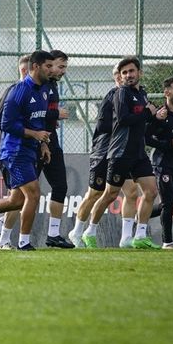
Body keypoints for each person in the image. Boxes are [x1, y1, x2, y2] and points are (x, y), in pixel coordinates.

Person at [0, 50, 54, 250]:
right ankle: (24, 242)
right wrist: (34, 134)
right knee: (33, 195)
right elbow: (6, 124)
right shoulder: (19, 90)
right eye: (48, 66)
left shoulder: (44, 90)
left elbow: (38, 121)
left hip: (30, 150)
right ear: (36, 66)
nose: (52, 70)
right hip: (14, 152)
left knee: (17, 200)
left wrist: (43, 143)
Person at [81, 56, 162, 249]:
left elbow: (142, 120)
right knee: (110, 194)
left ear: (139, 73)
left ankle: (139, 236)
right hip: (120, 152)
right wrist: (147, 113)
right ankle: (89, 231)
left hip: (138, 153)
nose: (128, 75)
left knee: (151, 191)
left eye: (131, 71)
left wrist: (155, 116)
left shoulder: (142, 94)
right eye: (124, 72)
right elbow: (124, 119)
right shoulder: (121, 93)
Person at [68, 67, 144, 248]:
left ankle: (126, 238)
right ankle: (77, 231)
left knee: (131, 192)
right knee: (95, 193)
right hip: (104, 151)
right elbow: (104, 125)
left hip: (123, 152)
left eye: (126, 73)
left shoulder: (136, 95)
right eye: (119, 74)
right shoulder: (113, 96)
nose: (122, 77)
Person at [146, 77, 173, 249]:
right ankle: (168, 242)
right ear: (166, 92)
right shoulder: (160, 114)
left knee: (169, 204)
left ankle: (140, 216)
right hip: (161, 163)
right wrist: (165, 144)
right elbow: (146, 137)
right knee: (168, 202)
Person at [37, 49, 75, 249]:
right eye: (60, 66)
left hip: (52, 142)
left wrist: (53, 120)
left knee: (60, 186)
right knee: (23, 194)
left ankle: (53, 234)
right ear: (48, 65)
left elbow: (46, 114)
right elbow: (33, 112)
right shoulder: (38, 85)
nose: (63, 71)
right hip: (35, 143)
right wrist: (54, 114)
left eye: (64, 67)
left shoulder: (52, 85)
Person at [0, 56, 29, 249]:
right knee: (20, 195)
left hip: (31, 150)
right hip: (13, 152)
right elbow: (0, 122)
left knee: (20, 196)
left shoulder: (40, 91)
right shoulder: (14, 91)